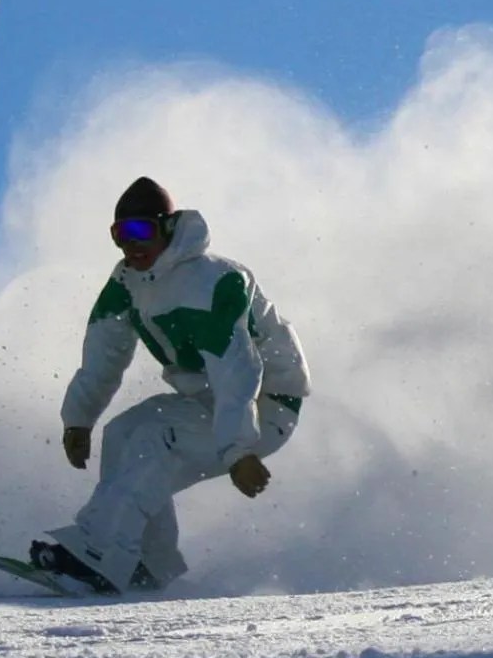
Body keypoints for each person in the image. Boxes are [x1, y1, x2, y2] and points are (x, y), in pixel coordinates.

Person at [30, 177, 310, 593]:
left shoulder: (211, 281)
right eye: (120, 235)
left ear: (167, 227)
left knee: (155, 437)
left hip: (267, 405)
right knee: (123, 434)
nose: (131, 245)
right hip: (208, 401)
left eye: (141, 230)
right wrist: (79, 419)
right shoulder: (128, 282)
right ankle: (146, 562)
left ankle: (100, 552)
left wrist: (238, 450)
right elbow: (103, 356)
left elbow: (239, 370)